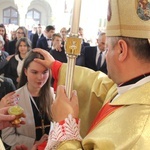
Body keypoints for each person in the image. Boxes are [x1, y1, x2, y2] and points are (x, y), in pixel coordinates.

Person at [32, 0, 150, 149]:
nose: (105, 55)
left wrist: (65, 128)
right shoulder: (134, 86)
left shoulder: (138, 133)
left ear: (121, 50)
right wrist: (57, 67)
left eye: (107, 48)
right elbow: (99, 86)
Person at [2, 51, 54, 150]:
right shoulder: (13, 99)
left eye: (45, 72)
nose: (40, 77)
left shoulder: (53, 95)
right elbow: (7, 135)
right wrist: (34, 143)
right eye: (34, 72)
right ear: (25, 71)